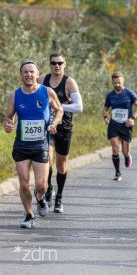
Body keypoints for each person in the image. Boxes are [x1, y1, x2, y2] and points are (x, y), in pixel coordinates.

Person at [4, 62, 63, 228]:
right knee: (23, 184)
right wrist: (8, 125)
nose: (28, 75)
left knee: (41, 185)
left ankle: (40, 197)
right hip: (21, 144)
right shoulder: (15, 95)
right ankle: (29, 215)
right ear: (21, 75)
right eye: (25, 72)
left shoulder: (47, 92)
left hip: (41, 144)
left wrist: (54, 123)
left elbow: (60, 110)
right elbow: (8, 117)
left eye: (31, 72)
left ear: (37, 74)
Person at [39, 53, 83, 213]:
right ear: (50, 64)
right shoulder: (42, 80)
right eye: (53, 63)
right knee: (47, 160)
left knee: (62, 165)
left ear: (65, 64)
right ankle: (49, 188)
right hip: (46, 127)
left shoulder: (69, 82)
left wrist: (58, 106)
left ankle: (59, 197)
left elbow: (79, 107)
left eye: (60, 63)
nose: (57, 66)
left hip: (64, 127)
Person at [103, 72, 137, 181]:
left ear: (123, 81)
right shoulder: (110, 95)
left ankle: (127, 156)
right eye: (115, 83)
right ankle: (117, 173)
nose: (117, 85)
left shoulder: (129, 93)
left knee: (125, 151)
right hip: (114, 125)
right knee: (115, 148)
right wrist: (105, 118)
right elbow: (105, 109)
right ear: (112, 83)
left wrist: (132, 118)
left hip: (126, 125)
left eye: (119, 82)